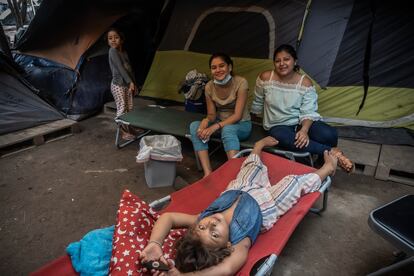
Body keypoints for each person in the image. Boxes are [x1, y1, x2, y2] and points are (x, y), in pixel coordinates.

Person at [140, 136, 338, 275]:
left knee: (250, 166)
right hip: (267, 203)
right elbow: (226, 269)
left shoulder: (200, 218)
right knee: (293, 184)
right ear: (227, 246)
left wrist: (154, 244)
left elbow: (168, 217)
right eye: (215, 234)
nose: (210, 224)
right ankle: (326, 169)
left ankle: (258, 147)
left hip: (240, 187)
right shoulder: (239, 243)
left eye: (202, 227)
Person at [251, 44, 354, 172]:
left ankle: (321, 165)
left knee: (329, 133)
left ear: (295, 61)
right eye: (278, 61)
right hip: (277, 126)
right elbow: (258, 101)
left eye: (286, 59)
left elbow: (308, 111)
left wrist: (304, 130)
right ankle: (331, 153)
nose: (282, 63)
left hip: (300, 122)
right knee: (281, 136)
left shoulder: (304, 83)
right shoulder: (266, 78)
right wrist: (252, 119)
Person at [189, 53, 252, 177]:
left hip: (241, 124)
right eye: (214, 67)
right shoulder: (209, 87)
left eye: (221, 66)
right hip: (219, 122)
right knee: (195, 126)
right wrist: (206, 121)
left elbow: (238, 115)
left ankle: (237, 175)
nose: (218, 70)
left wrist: (214, 127)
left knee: (227, 130)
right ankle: (208, 173)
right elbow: (212, 114)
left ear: (230, 67)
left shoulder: (241, 82)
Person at [107, 27, 137, 140]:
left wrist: (133, 83)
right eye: (110, 38)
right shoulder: (112, 51)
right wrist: (130, 82)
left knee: (129, 108)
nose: (113, 40)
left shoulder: (123, 52)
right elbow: (120, 69)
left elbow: (129, 69)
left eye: (116, 37)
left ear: (121, 40)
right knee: (122, 108)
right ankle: (123, 132)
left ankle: (130, 128)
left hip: (127, 85)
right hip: (118, 85)